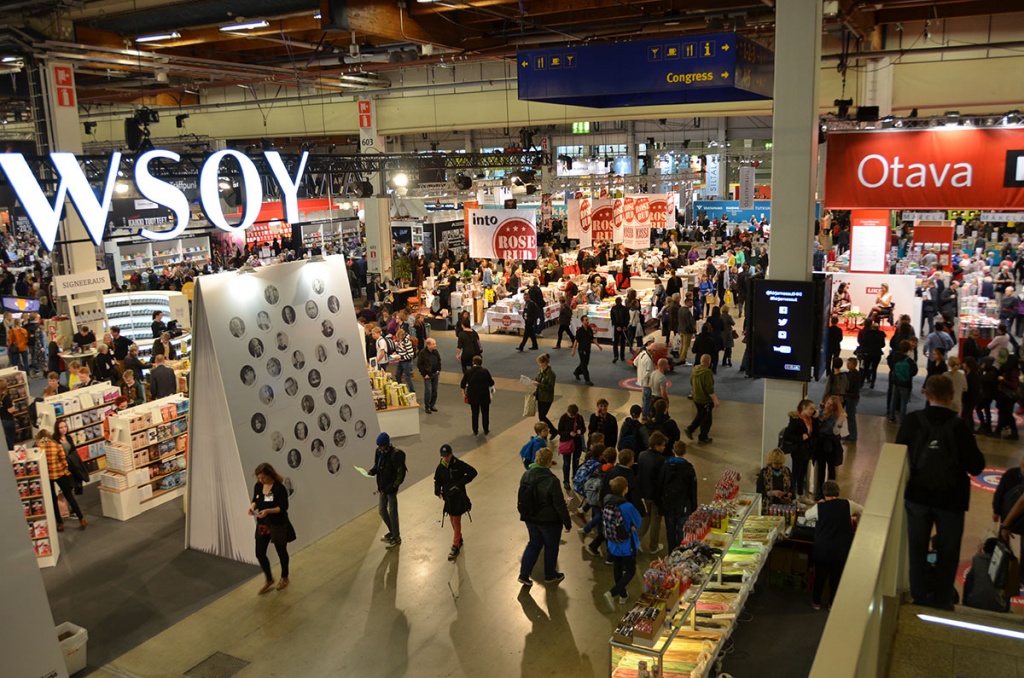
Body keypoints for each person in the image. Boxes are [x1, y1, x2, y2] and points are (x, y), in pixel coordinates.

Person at [896, 375, 985, 609]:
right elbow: (976, 466)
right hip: (951, 499)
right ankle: (943, 599)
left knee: (916, 549)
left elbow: (896, 454)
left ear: (926, 393)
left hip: (918, 496)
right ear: (952, 396)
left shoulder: (912, 421)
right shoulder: (961, 426)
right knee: (948, 551)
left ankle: (919, 597)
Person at [517, 447, 571, 587]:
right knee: (551, 547)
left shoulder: (526, 475)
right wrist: (567, 523)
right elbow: (559, 505)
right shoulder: (552, 480)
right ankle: (550, 575)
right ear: (548, 462)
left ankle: (524, 574)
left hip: (530, 517)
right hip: (549, 521)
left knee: (534, 544)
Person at [805, 480, 862, 610]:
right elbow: (862, 509)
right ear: (838, 492)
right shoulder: (848, 504)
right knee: (836, 577)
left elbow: (807, 516)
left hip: (823, 549)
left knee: (820, 576)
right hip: (841, 549)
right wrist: (855, 519)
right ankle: (832, 603)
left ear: (824, 494)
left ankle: (816, 602)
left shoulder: (819, 507)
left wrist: (819, 504)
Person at [248, 462, 293, 593]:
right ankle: (269, 578)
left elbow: (283, 507)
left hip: (277, 523)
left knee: (281, 551)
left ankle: (285, 577)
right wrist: (252, 507)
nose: (261, 480)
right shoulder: (258, 486)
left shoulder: (279, 488)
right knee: (259, 553)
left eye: (263, 478)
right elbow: (256, 499)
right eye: (259, 478)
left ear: (270, 475)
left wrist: (268, 511)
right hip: (263, 524)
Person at [602, 476, 642, 610]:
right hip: (626, 544)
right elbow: (638, 522)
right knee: (630, 570)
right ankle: (612, 593)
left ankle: (623, 595)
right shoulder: (627, 506)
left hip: (612, 543)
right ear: (625, 489)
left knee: (617, 568)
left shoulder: (607, 502)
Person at [434, 444, 478, 561]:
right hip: (448, 498)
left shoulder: (458, 465)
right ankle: (459, 538)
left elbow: (473, 472)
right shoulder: (440, 467)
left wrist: (460, 483)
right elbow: (437, 480)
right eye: (443, 456)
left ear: (451, 453)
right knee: (452, 519)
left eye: (447, 456)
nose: (445, 458)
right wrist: (437, 490)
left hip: (458, 498)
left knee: (456, 521)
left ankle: (455, 545)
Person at [41, 427, 87, 531]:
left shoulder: (39, 448)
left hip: (47, 476)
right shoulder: (56, 446)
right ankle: (81, 518)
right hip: (60, 473)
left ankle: (60, 523)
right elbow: (63, 461)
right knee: (69, 496)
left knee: (53, 499)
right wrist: (66, 471)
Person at [656, 440, 697, 550]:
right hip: (683, 505)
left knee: (670, 530)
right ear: (685, 451)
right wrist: (693, 506)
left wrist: (661, 504)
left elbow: (660, 485)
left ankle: (671, 552)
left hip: (668, 504)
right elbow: (692, 488)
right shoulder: (688, 468)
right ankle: (681, 553)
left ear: (673, 451)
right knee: (682, 530)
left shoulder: (665, 466)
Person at [368, 432, 406, 549]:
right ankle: (392, 531)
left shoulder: (396, 455)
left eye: (381, 446)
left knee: (393, 512)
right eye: (378, 446)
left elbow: (400, 474)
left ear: (387, 444)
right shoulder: (378, 452)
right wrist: (373, 471)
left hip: (391, 489)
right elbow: (377, 465)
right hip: (382, 487)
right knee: (382, 510)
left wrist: (390, 488)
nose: (380, 448)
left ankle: (396, 537)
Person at [635, 431, 670, 554]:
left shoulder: (641, 455)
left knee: (646, 517)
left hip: (644, 493)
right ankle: (653, 546)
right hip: (655, 495)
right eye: (663, 445)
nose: (664, 447)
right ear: (656, 445)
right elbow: (662, 480)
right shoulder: (661, 460)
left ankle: (637, 539)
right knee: (656, 520)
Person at [782, 399, 818, 500]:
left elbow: (814, 433)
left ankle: (801, 494)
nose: (813, 411)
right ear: (804, 407)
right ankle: (792, 495)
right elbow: (787, 436)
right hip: (798, 450)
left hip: (807, 450)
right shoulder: (795, 420)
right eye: (811, 408)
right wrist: (800, 438)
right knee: (796, 473)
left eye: (813, 409)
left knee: (803, 474)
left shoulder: (812, 420)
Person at [814, 396, 847, 500]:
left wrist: (840, 421)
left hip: (832, 444)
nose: (828, 405)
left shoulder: (838, 417)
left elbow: (835, 432)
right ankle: (819, 492)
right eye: (827, 403)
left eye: (831, 404)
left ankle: (831, 493)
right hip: (820, 443)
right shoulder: (820, 412)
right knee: (821, 469)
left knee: (832, 469)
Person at [993, 456, 1024, 562]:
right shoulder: (1010, 475)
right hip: (1007, 511)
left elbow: (1021, 502)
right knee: (1003, 540)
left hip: (1017, 517)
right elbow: (999, 493)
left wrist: (1006, 525)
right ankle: (1004, 561)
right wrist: (996, 511)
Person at [684, 354, 719, 444]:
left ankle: (691, 429)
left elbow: (691, 382)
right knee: (707, 420)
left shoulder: (695, 369)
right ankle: (702, 437)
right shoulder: (707, 373)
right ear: (709, 362)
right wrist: (715, 400)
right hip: (705, 400)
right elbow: (709, 388)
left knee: (701, 415)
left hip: (696, 398)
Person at [460, 355, 494, 436]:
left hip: (473, 396)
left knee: (474, 413)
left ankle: (475, 430)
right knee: (485, 412)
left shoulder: (468, 372)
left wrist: (464, 393)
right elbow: (491, 383)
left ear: (473, 362)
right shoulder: (485, 371)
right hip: (484, 396)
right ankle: (486, 429)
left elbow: (462, 384)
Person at [888, 340, 918, 423]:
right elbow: (914, 372)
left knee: (893, 399)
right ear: (908, 349)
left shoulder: (894, 356)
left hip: (895, 381)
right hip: (905, 383)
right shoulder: (909, 361)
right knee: (903, 402)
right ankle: (902, 418)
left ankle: (891, 416)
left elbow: (890, 363)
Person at [556, 404, 585, 490]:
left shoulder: (579, 418)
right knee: (566, 463)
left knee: (576, 463)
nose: (572, 417)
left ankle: (575, 477)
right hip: (567, 443)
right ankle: (566, 481)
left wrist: (581, 431)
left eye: (574, 415)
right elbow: (560, 431)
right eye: (571, 415)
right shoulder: (563, 418)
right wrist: (569, 433)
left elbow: (583, 428)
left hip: (577, 443)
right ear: (567, 412)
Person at [532, 353, 557, 436]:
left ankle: (552, 430)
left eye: (541, 363)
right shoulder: (541, 370)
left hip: (547, 398)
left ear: (546, 362)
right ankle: (545, 431)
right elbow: (537, 379)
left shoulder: (551, 374)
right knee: (541, 416)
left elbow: (550, 387)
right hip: (540, 396)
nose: (539, 365)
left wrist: (539, 384)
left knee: (542, 416)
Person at [571, 316, 601, 386]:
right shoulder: (579, 331)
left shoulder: (589, 329)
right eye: (586, 320)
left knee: (584, 363)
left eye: (588, 320)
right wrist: (573, 351)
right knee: (584, 365)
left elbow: (592, 338)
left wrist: (598, 345)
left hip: (588, 349)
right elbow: (576, 342)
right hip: (582, 350)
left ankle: (576, 372)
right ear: (582, 321)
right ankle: (587, 380)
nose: (587, 321)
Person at [416, 337, 442, 414]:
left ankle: (432, 405)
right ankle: (427, 406)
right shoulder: (422, 353)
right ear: (428, 345)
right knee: (428, 391)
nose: (435, 345)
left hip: (435, 374)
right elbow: (419, 364)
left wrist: (438, 370)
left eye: (435, 344)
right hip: (427, 375)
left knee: (434, 390)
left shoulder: (435, 352)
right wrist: (424, 374)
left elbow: (439, 360)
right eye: (433, 344)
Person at [857, 320, 886, 388]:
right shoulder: (881, 334)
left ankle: (861, 383)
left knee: (865, 368)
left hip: (868, 353)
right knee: (874, 369)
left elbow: (864, 343)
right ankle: (872, 383)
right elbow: (883, 345)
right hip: (877, 353)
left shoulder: (868, 334)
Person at [634, 338, 656, 419]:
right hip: (647, 382)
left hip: (641, 380)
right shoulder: (649, 360)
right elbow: (648, 372)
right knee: (647, 398)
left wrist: (641, 369)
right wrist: (647, 378)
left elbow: (635, 362)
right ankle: (645, 415)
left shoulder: (642, 353)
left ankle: (646, 410)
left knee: (644, 397)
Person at [392, 328, 416, 394]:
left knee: (407, 377)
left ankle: (412, 390)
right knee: (397, 375)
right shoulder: (401, 341)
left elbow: (411, 355)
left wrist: (401, 356)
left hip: (406, 362)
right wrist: (396, 353)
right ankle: (400, 388)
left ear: (402, 335)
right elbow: (401, 349)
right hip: (401, 360)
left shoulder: (407, 342)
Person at [677, 297, 696, 366]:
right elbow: (689, 323)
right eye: (690, 302)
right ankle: (683, 359)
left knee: (682, 344)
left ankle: (681, 356)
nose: (691, 304)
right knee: (686, 345)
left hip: (681, 329)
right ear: (686, 302)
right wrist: (693, 330)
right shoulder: (687, 312)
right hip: (687, 331)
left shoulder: (680, 309)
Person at [0, 381, 17, 449]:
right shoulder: (6, 397)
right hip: (8, 420)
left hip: (1, 421)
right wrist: (13, 404)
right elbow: (10, 410)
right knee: (10, 440)